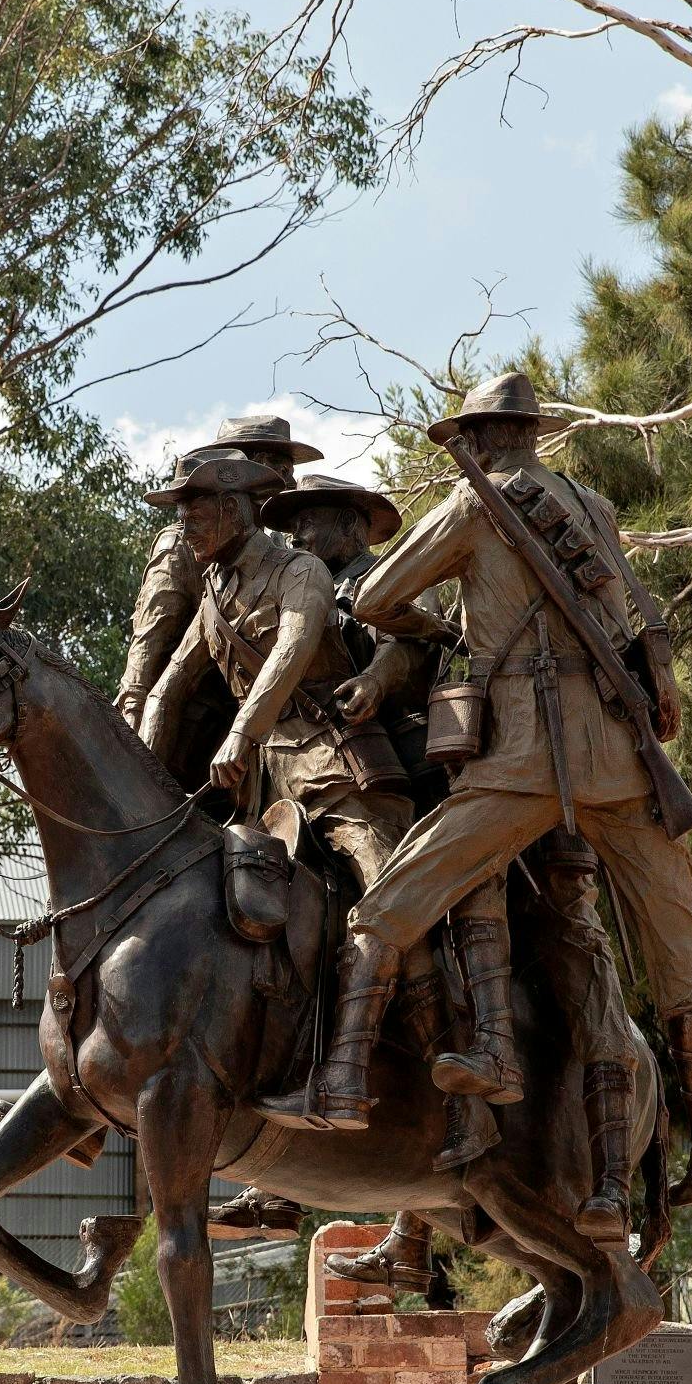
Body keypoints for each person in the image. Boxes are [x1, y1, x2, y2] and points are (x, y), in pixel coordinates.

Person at [314, 371, 692, 1206]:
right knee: (685, 961)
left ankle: (341, 1081)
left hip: (520, 759)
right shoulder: (592, 504)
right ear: (532, 432)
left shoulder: (473, 506)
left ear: (476, 437)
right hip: (619, 760)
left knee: (386, 906)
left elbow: (373, 596)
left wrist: (443, 629)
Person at [136, 452, 453, 1136]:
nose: (184, 527)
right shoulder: (216, 590)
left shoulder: (299, 572)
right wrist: (138, 778)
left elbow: (292, 650)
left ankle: (437, 1085)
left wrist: (240, 733)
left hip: (339, 765)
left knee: (386, 898)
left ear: (234, 509)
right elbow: (171, 685)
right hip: (266, 786)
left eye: (195, 512)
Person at [114, 414, 323, 743]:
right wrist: (132, 712)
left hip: (256, 718)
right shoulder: (180, 545)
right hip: (190, 725)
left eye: (288, 472)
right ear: (245, 472)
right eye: (281, 471)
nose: (290, 483)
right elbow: (150, 637)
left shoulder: (281, 552)